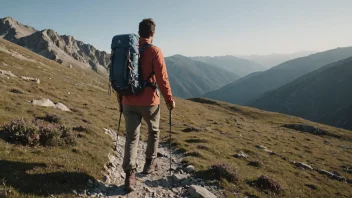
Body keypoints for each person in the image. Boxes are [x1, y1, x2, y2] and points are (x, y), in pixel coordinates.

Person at [118, 18, 175, 191]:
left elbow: (120, 76)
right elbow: (162, 79)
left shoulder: (128, 49)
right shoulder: (154, 51)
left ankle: (129, 175)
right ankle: (149, 164)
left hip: (128, 100)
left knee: (131, 137)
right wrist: (169, 100)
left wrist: (120, 100)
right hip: (149, 102)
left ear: (139, 32)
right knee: (154, 131)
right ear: (152, 33)